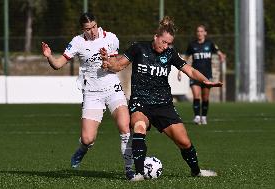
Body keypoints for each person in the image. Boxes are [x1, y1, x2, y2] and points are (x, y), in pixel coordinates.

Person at [100, 16, 222, 181]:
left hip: (164, 104)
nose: (165, 46)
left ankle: (196, 171)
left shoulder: (170, 54)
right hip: (141, 102)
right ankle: (138, 173)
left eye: (169, 43)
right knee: (139, 126)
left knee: (184, 142)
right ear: (156, 36)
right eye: (163, 42)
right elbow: (119, 65)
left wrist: (205, 80)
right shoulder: (138, 48)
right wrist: (108, 62)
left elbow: (190, 71)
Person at [41, 12, 133, 179]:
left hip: (112, 89)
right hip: (92, 93)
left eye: (94, 27)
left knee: (125, 127)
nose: (92, 31)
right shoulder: (77, 42)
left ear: (97, 24)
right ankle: (82, 150)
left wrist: (107, 62)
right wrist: (49, 57)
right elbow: (58, 64)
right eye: (87, 29)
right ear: (82, 29)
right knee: (87, 138)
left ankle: (129, 170)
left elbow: (115, 65)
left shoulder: (111, 38)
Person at [178, 25, 226, 125]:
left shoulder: (210, 44)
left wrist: (221, 56)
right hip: (195, 75)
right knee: (196, 95)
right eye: (198, 31)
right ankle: (196, 117)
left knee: (205, 98)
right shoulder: (192, 45)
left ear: (205, 33)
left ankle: (203, 117)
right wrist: (180, 70)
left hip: (207, 75)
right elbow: (186, 58)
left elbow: (218, 52)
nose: (199, 33)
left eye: (201, 31)